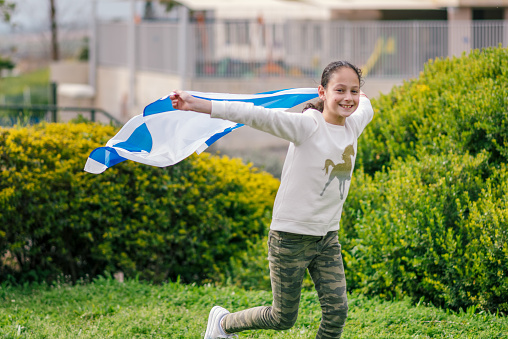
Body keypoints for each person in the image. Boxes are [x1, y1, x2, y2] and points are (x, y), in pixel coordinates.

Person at [170, 60, 374, 339]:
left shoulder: (354, 125)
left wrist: (359, 97)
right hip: (289, 238)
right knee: (282, 317)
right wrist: (199, 104)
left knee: (337, 312)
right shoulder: (305, 127)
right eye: (340, 90)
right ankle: (223, 323)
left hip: (327, 237)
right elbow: (255, 115)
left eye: (354, 91)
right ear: (322, 92)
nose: (348, 98)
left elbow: (368, 106)